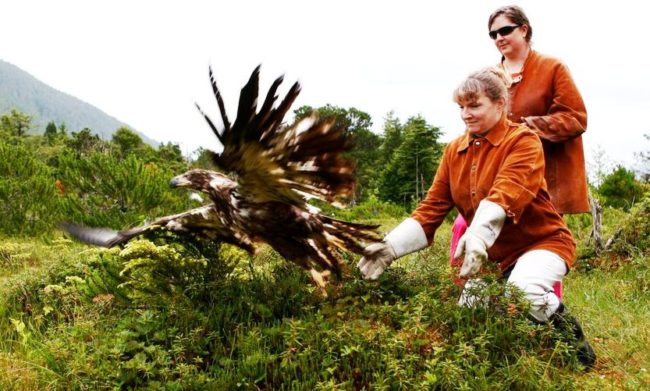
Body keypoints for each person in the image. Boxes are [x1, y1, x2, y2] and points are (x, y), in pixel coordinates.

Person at [358, 67, 596, 368]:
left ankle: (577, 352)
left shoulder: (523, 142)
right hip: (490, 256)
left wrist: (479, 235)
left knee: (525, 293)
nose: (466, 114)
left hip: (541, 242)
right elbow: (431, 208)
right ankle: (499, 365)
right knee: (469, 316)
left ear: (500, 104)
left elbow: (507, 191)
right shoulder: (454, 151)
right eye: (461, 107)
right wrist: (389, 247)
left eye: (475, 105)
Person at [449, 5, 590, 299]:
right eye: (493, 34)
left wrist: (524, 128)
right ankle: (465, 296)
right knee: (465, 225)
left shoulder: (553, 68)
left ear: (523, 29)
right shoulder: (490, 75)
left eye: (505, 30)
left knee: (540, 244)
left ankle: (546, 313)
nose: (499, 37)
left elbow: (576, 118)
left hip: (547, 177)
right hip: (497, 177)